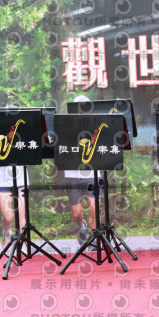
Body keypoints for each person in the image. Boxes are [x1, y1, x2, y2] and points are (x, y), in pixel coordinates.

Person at [65, 95, 97, 246]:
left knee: (94, 209)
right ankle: (81, 227)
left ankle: (95, 239)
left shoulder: (96, 125)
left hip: (92, 174)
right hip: (72, 175)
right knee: (77, 214)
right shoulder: (65, 126)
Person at [0, 166, 27, 253]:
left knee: (21, 214)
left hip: (21, 176)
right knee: (8, 217)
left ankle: (21, 242)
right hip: (1, 178)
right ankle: (7, 234)